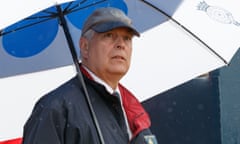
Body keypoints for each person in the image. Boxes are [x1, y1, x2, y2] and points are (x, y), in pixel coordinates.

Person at [22, 7, 158, 144]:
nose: (121, 44)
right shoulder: (55, 109)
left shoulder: (133, 110)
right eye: (109, 35)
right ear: (85, 46)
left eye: (127, 38)